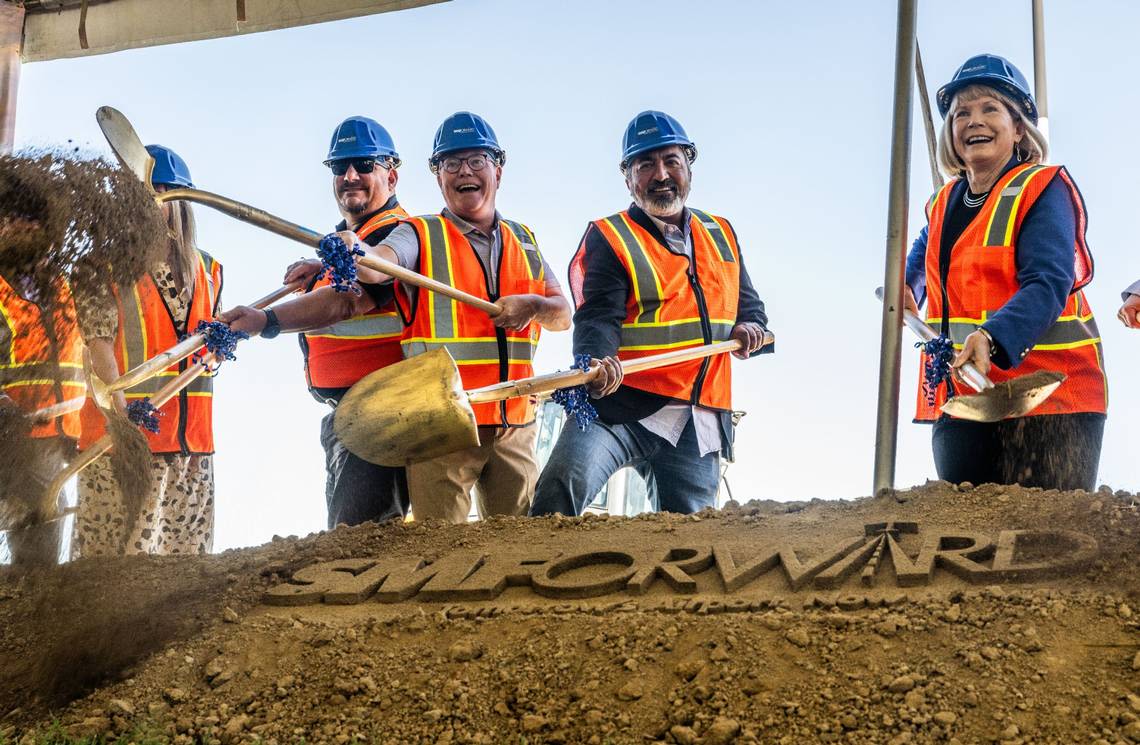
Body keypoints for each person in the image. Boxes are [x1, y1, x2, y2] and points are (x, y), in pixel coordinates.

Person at [530, 111, 771, 517]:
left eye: (671, 161)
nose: (661, 175)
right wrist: (596, 362)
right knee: (560, 490)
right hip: (619, 403)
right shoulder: (611, 236)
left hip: (697, 416)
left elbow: (750, 308)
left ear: (688, 167)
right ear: (628, 178)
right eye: (645, 164)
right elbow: (599, 314)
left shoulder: (721, 233)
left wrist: (753, 329)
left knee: (690, 537)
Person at [350, 111, 570, 523]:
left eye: (475, 161)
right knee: (441, 551)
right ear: (438, 176)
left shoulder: (524, 239)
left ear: (497, 171)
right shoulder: (418, 234)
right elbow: (380, 265)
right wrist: (355, 251)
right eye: (450, 163)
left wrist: (534, 306)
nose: (463, 171)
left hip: (514, 425)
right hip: (443, 428)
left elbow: (562, 316)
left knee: (515, 550)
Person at [904, 54, 1106, 491]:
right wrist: (905, 286)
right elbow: (922, 258)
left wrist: (991, 338)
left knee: (1046, 544)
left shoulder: (1041, 187)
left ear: (1019, 128)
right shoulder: (943, 204)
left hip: (1052, 397)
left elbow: (1049, 281)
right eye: (962, 113)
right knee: (967, 542)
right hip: (966, 401)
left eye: (989, 109)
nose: (973, 121)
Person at [221, 116, 410, 528]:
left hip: (381, 414)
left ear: (391, 177)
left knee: (358, 543)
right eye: (339, 167)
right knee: (349, 534)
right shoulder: (349, 239)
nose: (350, 176)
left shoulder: (395, 234)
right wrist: (321, 264)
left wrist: (265, 320)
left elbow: (347, 302)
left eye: (364, 164)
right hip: (354, 414)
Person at [72, 145, 224, 556]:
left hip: (191, 449)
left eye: (159, 194)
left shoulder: (210, 270)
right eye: (138, 195)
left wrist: (222, 346)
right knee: (112, 570)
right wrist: (122, 419)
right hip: (121, 447)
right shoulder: (99, 266)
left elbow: (207, 355)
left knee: (185, 569)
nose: (147, 206)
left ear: (181, 203)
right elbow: (98, 347)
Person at [0, 215, 85, 565]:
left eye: (31, 220)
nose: (22, 228)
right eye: (11, 221)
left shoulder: (67, 285)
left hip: (56, 434)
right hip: (10, 433)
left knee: (43, 536)